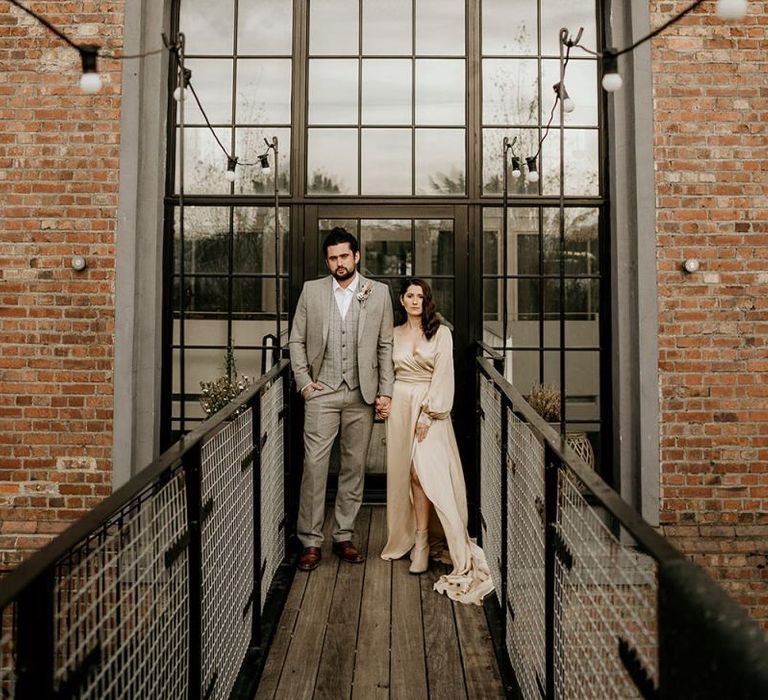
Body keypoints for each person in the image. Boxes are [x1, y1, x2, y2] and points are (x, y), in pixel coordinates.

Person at [380, 278, 493, 605]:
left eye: (421, 296)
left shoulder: (441, 332)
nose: (415, 301)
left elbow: (445, 374)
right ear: (402, 300)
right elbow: (386, 371)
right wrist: (383, 398)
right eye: (410, 295)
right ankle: (416, 540)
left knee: (424, 473)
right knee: (405, 473)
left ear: (427, 301)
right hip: (401, 405)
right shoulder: (393, 334)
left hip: (431, 409)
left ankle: (428, 541)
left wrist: (430, 414)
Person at [289, 227, 394, 572]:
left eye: (344, 256)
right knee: (315, 467)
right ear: (327, 260)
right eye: (333, 258)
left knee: (353, 467)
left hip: (361, 395)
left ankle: (344, 535)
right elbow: (297, 341)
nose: (339, 263)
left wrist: (385, 391)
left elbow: (385, 346)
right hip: (322, 392)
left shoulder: (378, 293)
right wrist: (305, 383)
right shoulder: (312, 291)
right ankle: (310, 540)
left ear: (357, 256)